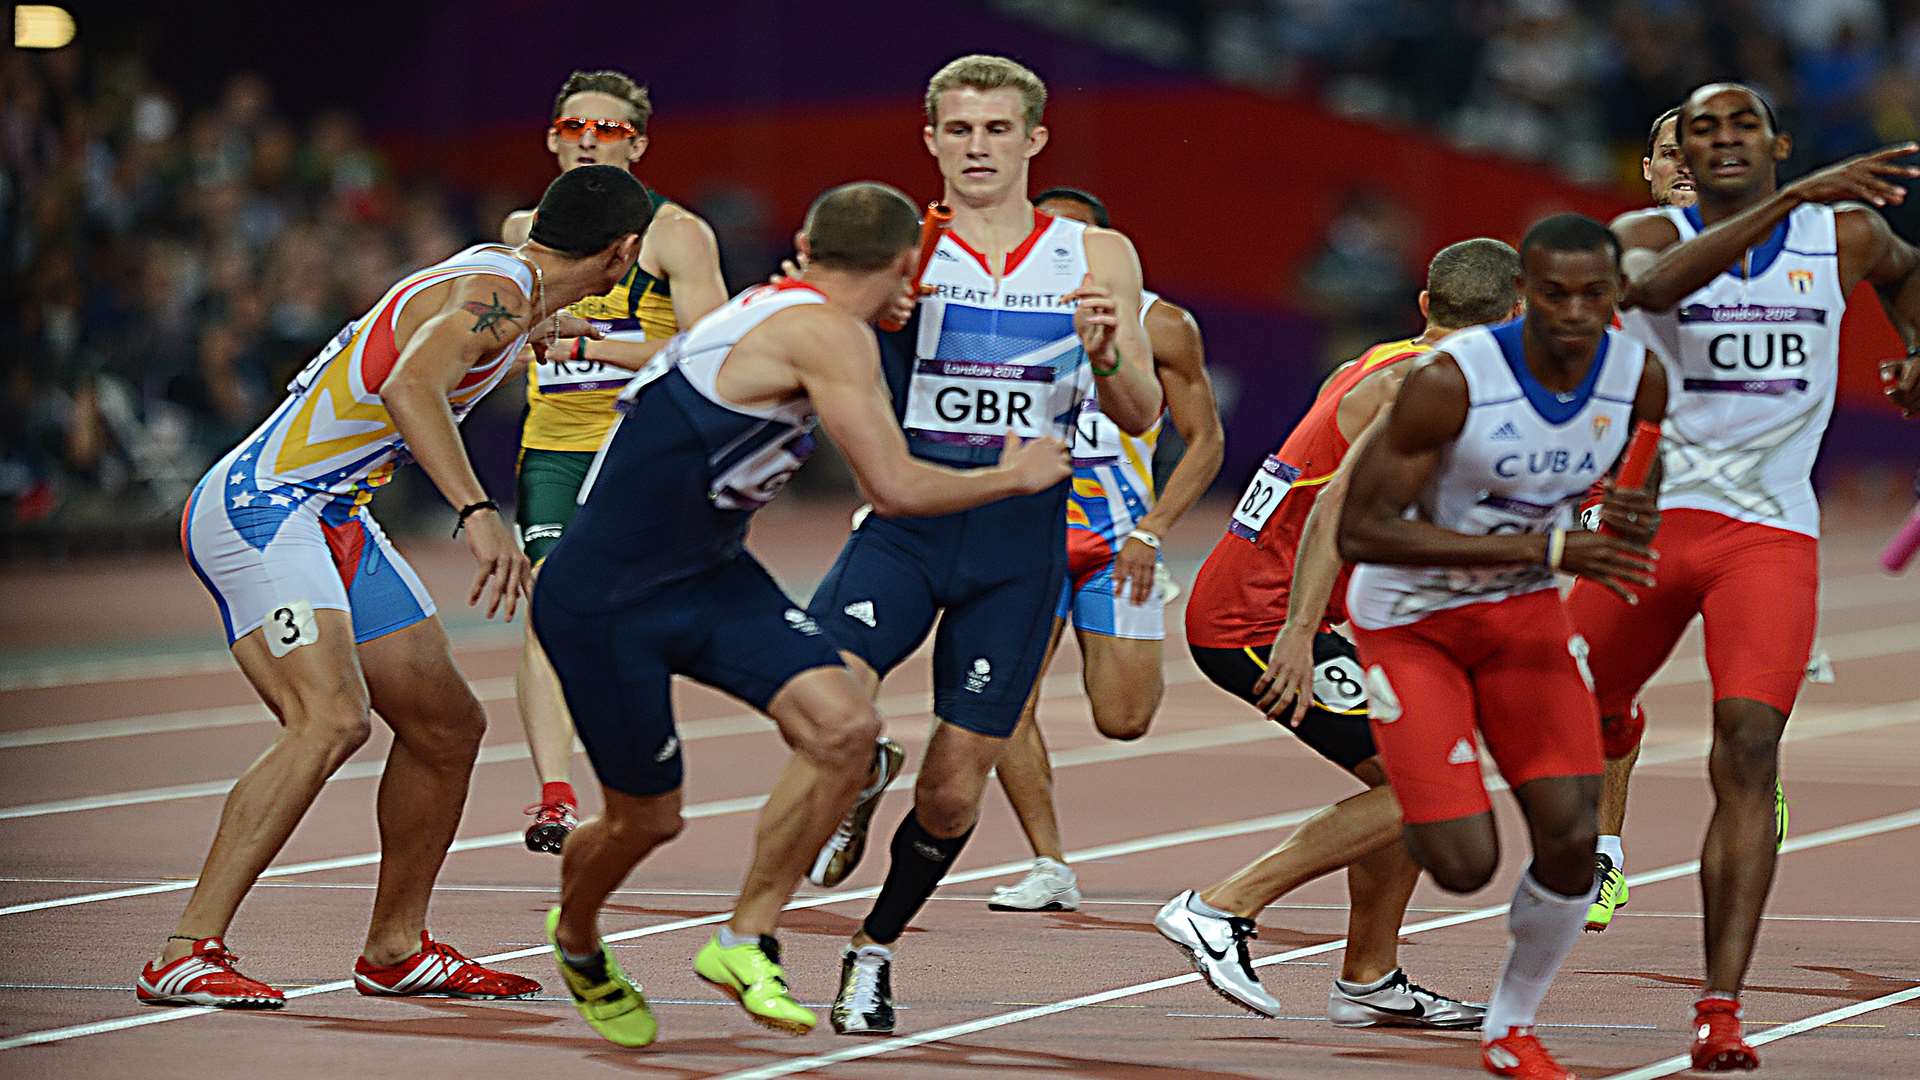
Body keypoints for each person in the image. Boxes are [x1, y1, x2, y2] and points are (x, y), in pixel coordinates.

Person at [531, 182, 1071, 1046]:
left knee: (846, 730)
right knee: (649, 819)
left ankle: (745, 938)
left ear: (808, 245)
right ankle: (577, 938)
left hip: (710, 577)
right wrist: (1019, 474)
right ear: (905, 264)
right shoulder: (825, 332)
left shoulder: (788, 306)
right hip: (604, 599)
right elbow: (892, 488)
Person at [146, 166, 653, 1009]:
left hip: (335, 516)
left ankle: (394, 947)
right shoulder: (495, 294)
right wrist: (479, 511)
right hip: (266, 508)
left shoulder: (514, 285)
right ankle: (183, 950)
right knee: (331, 719)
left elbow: (545, 274)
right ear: (625, 253)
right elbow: (409, 385)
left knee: (447, 727)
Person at [801, 55, 1164, 1036]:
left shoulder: (1097, 256)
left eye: (996, 131)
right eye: (959, 131)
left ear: (1034, 140)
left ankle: (872, 950)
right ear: (930, 140)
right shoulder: (897, 246)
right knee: (821, 701)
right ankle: (858, 766)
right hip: (909, 526)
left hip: (1018, 546)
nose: (976, 148)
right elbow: (824, 368)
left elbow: (1143, 408)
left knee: (956, 787)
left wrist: (1107, 351)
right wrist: (882, 326)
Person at [1582, 83, 1920, 1069]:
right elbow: (1649, 289)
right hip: (1643, 523)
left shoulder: (1842, 237)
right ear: (1677, 152)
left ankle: (1720, 1009)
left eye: (1740, 128)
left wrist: (1917, 350)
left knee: (1746, 745)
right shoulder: (1642, 228)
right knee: (1558, 730)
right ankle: (1603, 755)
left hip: (1766, 535)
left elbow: (1905, 269)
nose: (1717, 144)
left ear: (1773, 139)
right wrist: (1793, 196)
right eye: (1698, 132)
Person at [1158, 239, 1520, 1027]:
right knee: (1427, 791)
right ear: (1516, 315)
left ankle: (1369, 978)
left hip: (1275, 600)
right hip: (1256, 619)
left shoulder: (1376, 362)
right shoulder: (1417, 394)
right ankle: (1221, 908)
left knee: (1401, 776)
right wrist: (1295, 633)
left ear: (1425, 306)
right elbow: (1328, 514)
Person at [1339, 213, 1668, 1080]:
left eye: (1593, 295)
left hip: (1519, 619)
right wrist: (1547, 549)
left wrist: (1633, 511)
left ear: (1618, 298)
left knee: (1572, 838)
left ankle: (1510, 1026)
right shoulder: (1450, 383)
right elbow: (1362, 531)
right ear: (1524, 294)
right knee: (1464, 862)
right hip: (1412, 621)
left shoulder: (1638, 379)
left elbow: (1648, 463)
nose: (1572, 312)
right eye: (1552, 294)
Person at [502, 69, 728, 855]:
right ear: (552, 138)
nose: (588, 142)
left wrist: (589, 338)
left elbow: (709, 348)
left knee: (636, 621)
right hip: (555, 450)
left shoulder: (677, 234)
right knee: (549, 606)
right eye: (574, 129)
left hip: (641, 449)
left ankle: (641, 779)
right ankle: (555, 799)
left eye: (606, 130)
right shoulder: (522, 230)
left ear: (636, 143)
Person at [984, 185, 1224, 913]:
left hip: (1119, 543)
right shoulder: (998, 317)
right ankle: (1049, 863)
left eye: (1074, 241)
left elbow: (1206, 442)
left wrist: (1153, 530)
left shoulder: (1162, 323)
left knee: (1124, 719)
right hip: (1023, 538)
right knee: (1002, 707)